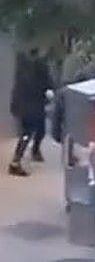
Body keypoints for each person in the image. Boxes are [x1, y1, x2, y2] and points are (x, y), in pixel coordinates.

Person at [8, 47, 52, 176]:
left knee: (33, 131)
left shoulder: (23, 66)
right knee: (27, 133)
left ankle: (32, 151)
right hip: (31, 106)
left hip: (25, 104)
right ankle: (15, 163)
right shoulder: (39, 66)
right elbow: (46, 84)